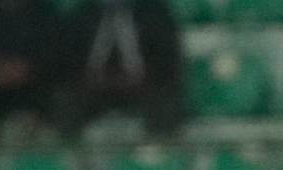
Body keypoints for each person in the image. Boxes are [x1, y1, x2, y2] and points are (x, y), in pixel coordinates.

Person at [53, 0, 185, 136]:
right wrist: (92, 77)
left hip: (143, 86)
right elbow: (67, 60)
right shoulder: (82, 14)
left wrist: (140, 76)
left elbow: (167, 58)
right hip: (92, 88)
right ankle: (72, 154)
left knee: (165, 103)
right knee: (66, 102)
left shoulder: (154, 12)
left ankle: (157, 153)